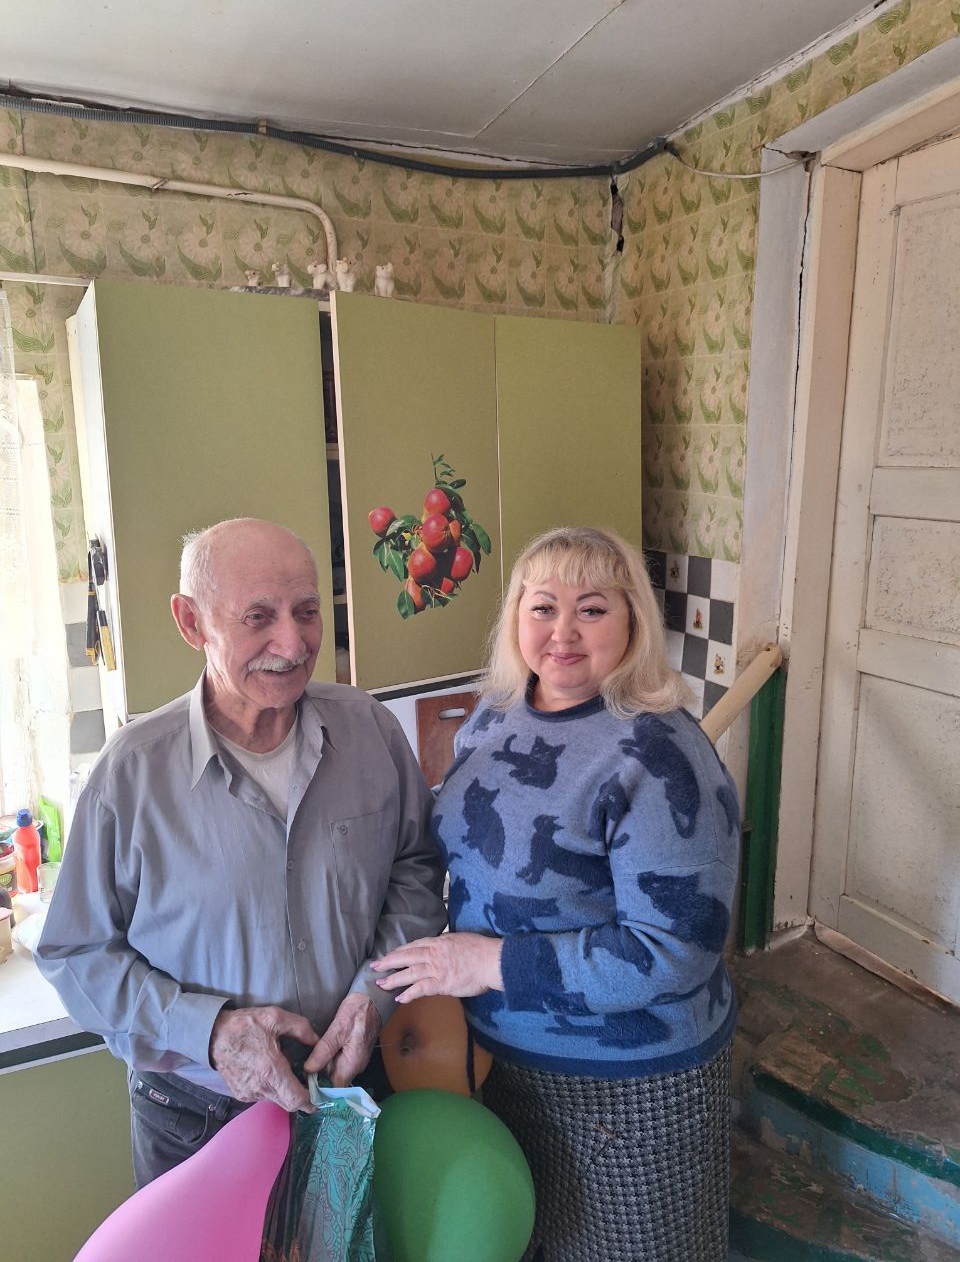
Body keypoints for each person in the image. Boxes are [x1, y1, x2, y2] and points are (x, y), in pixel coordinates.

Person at [37, 517, 445, 1187]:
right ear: (191, 623)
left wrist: (373, 995)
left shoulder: (369, 730)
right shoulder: (130, 775)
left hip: (348, 1094)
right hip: (196, 1119)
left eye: (307, 612)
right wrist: (208, 1031)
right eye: (259, 618)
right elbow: (76, 953)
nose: (293, 643)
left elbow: (416, 867)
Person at [373, 526, 740, 1262]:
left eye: (592, 610)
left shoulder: (659, 751)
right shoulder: (494, 715)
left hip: (630, 1086)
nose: (563, 633)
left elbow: (675, 952)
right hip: (500, 1062)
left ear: (632, 622)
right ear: (516, 617)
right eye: (543, 607)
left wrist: (488, 965)